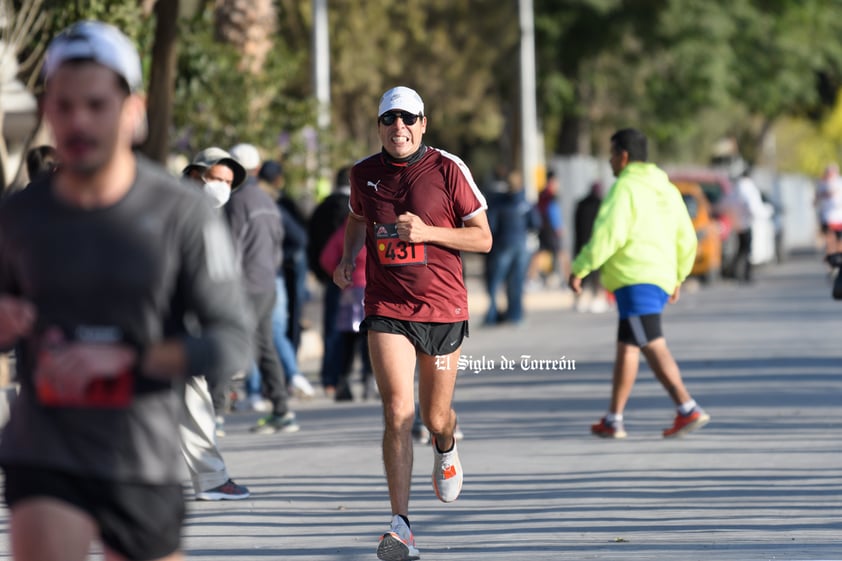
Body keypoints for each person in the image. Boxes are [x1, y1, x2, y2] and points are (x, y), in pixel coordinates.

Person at [0, 20, 252, 561]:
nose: (78, 121)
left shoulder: (181, 214)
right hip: (45, 449)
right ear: (47, 110)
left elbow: (232, 339)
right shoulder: (18, 219)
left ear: (132, 111)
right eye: (64, 106)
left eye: (96, 104)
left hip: (139, 454)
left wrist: (129, 359)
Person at [334, 86, 491, 561]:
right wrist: (347, 259)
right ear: (379, 126)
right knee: (397, 412)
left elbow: (482, 237)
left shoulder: (447, 168)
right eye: (389, 119)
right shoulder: (364, 173)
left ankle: (446, 443)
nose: (398, 127)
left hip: (443, 311)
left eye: (407, 118)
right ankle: (400, 525)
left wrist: (427, 232)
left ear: (423, 123)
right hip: (387, 308)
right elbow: (357, 219)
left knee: (433, 415)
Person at [569, 128, 710, 440]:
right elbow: (686, 236)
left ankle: (687, 407)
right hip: (657, 276)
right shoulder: (667, 189)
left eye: (611, 155)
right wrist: (678, 275)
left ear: (624, 156)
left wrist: (581, 268)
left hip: (636, 277)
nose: (609, 162)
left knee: (651, 342)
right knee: (628, 346)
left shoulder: (625, 188)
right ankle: (614, 417)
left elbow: (609, 234)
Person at [177, 147, 253, 500]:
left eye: (227, 182)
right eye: (216, 178)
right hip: (163, 321)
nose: (222, 187)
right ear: (195, 175)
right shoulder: (178, 209)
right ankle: (210, 479)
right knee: (193, 401)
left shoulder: (205, 214)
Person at [224, 144, 300, 434]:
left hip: (246, 286)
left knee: (229, 344)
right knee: (265, 347)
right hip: (268, 283)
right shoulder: (268, 201)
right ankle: (281, 410)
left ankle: (216, 414)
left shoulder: (238, 201)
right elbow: (282, 242)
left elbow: (229, 249)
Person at [308, 166, 353, 396]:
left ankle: (329, 378)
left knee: (332, 329)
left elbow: (311, 242)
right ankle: (357, 377)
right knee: (358, 332)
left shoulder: (322, 207)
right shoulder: (358, 209)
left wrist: (320, 273)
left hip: (330, 278)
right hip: (357, 281)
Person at [319, 217, 374, 401]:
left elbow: (326, 258)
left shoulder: (347, 229)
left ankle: (344, 381)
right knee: (371, 338)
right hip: (372, 290)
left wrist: (341, 272)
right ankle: (370, 380)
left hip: (350, 292)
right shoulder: (379, 226)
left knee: (347, 340)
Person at [483, 168, 540, 326]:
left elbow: (491, 225)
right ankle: (515, 315)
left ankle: (492, 315)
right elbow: (535, 223)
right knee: (517, 282)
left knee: (495, 282)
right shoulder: (526, 203)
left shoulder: (498, 203)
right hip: (521, 246)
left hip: (502, 245)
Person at [725, 167, 767, 283]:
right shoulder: (747, 188)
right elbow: (752, 206)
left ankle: (736, 273)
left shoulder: (737, 188)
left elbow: (727, 203)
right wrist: (760, 215)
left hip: (737, 224)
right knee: (746, 250)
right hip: (746, 223)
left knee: (740, 250)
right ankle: (746, 274)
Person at [573, 181, 608, 313]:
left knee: (585, 274)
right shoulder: (603, 204)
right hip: (597, 244)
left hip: (583, 243)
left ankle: (582, 299)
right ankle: (597, 298)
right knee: (597, 274)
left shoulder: (581, 204)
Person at [527, 171, 567, 288]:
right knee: (562, 254)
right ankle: (567, 279)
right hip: (551, 229)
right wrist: (558, 226)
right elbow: (553, 211)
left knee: (539, 253)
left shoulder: (542, 194)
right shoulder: (551, 195)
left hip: (543, 227)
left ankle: (531, 279)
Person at [816, 163, 842, 256]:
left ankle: (839, 260)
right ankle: (832, 262)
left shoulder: (840, 182)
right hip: (826, 217)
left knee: (839, 240)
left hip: (839, 218)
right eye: (828, 172)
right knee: (829, 239)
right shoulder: (822, 184)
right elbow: (815, 200)